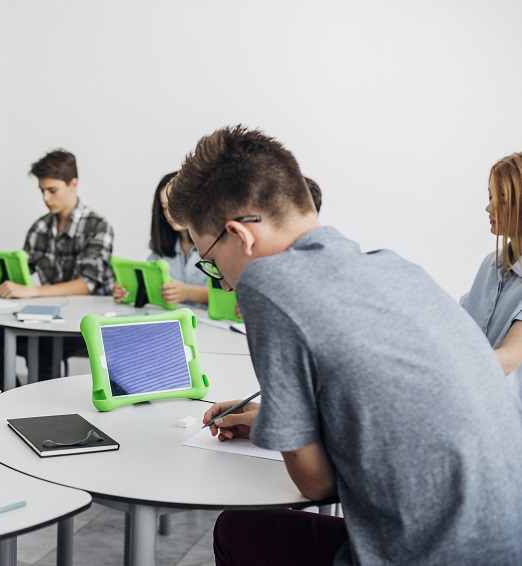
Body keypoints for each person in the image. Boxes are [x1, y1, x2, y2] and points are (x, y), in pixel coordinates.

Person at [165, 127, 522, 565]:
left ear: (241, 236)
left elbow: (315, 486)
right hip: (505, 542)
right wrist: (274, 420)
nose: (222, 282)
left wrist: (288, 431)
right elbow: (387, 420)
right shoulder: (395, 268)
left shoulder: (267, 283)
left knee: (237, 530)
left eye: (213, 263)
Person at [0, 149, 114, 389]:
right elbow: (21, 269)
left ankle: (39, 411)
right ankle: (10, 396)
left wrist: (31, 291)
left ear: (73, 184)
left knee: (44, 344)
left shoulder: (99, 227)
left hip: (83, 326)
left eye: (52, 190)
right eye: (42, 191)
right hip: (47, 320)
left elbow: (86, 285)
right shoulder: (40, 227)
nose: (45, 197)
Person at [461, 152, 522, 400]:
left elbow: (508, 360)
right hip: (479, 410)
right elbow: (459, 328)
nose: (489, 207)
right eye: (490, 196)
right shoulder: (491, 265)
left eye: (502, 199)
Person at [113, 171, 209, 306]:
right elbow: (148, 285)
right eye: (164, 208)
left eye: (174, 206)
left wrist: (186, 292)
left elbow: (230, 295)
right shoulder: (163, 249)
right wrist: (126, 290)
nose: (169, 214)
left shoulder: (215, 245)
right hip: (172, 321)